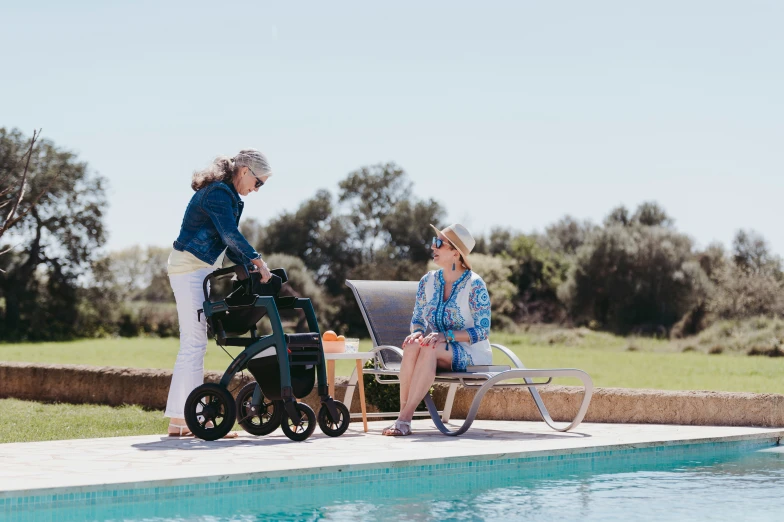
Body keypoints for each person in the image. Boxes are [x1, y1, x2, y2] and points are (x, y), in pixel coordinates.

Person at [165, 149, 273, 437]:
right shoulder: (218, 194)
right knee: (193, 344)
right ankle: (193, 420)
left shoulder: (228, 197)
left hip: (197, 270)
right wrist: (258, 260)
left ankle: (180, 421)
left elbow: (228, 244)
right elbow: (229, 235)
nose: (257, 189)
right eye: (258, 182)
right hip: (189, 269)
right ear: (245, 171)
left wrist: (246, 266)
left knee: (193, 344)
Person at [382, 223, 492, 436]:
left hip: (471, 351)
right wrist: (416, 331)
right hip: (436, 345)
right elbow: (418, 319)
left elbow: (482, 331)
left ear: (455, 253)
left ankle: (404, 418)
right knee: (414, 345)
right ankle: (403, 418)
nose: (433, 247)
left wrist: (446, 335)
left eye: (439, 243)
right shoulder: (427, 281)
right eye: (434, 242)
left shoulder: (475, 284)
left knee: (429, 347)